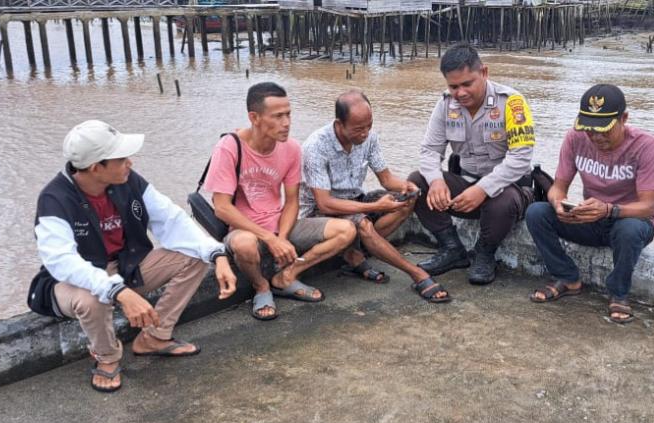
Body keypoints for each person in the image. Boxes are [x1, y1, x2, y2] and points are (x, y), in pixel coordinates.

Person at [28, 120, 237, 393]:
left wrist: (217, 253)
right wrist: (118, 291)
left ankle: (155, 337)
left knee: (195, 255)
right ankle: (106, 358)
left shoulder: (129, 181)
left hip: (126, 265)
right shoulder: (54, 199)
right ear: (95, 168)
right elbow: (62, 262)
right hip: (74, 279)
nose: (130, 163)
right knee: (93, 297)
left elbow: (171, 219)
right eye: (122, 158)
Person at [207, 82, 356, 321]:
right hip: (244, 228)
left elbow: (291, 201)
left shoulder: (292, 148)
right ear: (254, 118)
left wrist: (282, 238)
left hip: (281, 225)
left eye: (288, 114)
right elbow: (222, 208)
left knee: (346, 230)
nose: (286, 123)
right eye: (277, 116)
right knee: (245, 244)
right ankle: (261, 286)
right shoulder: (229, 147)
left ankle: (286, 276)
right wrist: (269, 239)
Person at [526, 84, 654, 324]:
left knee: (630, 230)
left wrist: (609, 209)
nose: (596, 137)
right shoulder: (575, 138)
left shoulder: (646, 146)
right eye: (590, 130)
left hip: (627, 221)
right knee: (537, 212)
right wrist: (559, 203)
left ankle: (619, 293)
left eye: (604, 130)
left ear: (624, 119)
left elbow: (647, 207)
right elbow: (559, 186)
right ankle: (567, 278)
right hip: (591, 219)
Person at [300, 90, 451, 303]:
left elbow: (386, 179)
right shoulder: (316, 146)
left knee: (406, 201)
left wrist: (407, 186)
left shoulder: (369, 138)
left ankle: (355, 253)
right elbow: (325, 203)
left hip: (354, 199)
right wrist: (373, 208)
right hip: (321, 211)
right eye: (358, 128)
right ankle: (417, 274)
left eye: (369, 126)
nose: (365, 133)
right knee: (363, 224)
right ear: (340, 124)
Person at [407, 43, 535, 285]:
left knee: (503, 200)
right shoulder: (445, 105)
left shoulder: (512, 103)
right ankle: (452, 248)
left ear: (484, 73)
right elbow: (430, 150)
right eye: (453, 86)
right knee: (416, 182)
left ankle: (485, 253)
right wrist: (435, 181)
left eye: (467, 84)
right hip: (466, 185)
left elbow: (520, 158)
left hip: (509, 190)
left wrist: (482, 189)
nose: (461, 93)